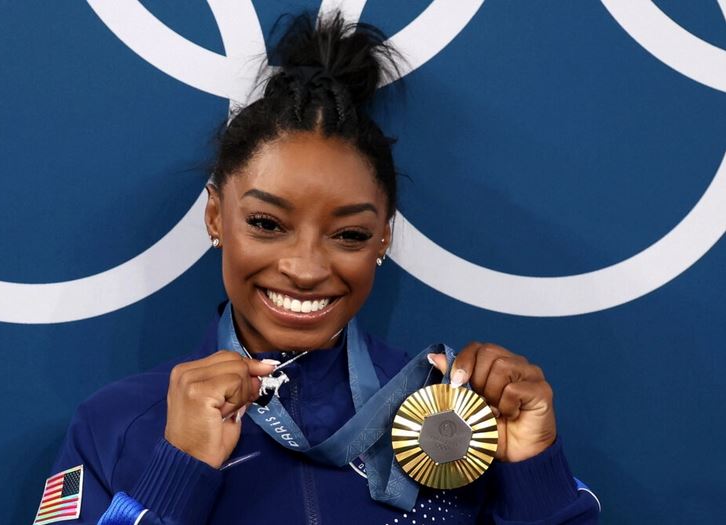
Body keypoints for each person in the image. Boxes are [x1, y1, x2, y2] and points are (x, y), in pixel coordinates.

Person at [33, 12, 600, 525]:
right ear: (215, 216)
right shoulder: (118, 423)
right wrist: (177, 473)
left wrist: (533, 473)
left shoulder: (461, 419)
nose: (304, 269)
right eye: (266, 223)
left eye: (349, 234)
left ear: (384, 237)